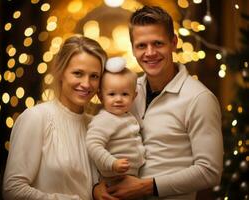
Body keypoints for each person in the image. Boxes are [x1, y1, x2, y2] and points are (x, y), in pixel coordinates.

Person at [94, 5, 223, 200]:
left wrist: (147, 187)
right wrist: (97, 186)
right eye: (141, 46)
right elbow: (102, 141)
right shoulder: (126, 92)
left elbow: (210, 172)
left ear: (173, 43)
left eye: (158, 43)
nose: (150, 52)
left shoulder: (199, 99)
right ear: (133, 48)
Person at [3, 36, 107, 200]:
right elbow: (12, 190)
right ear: (60, 72)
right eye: (78, 73)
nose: (86, 84)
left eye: (94, 76)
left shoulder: (97, 125)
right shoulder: (36, 118)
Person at [86, 57, 145, 184]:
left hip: (132, 176)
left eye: (124, 94)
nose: (118, 99)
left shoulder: (128, 116)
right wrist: (112, 163)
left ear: (134, 96)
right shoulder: (104, 119)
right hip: (113, 178)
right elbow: (93, 145)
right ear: (101, 96)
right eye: (112, 94)